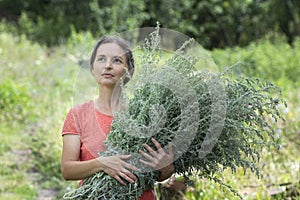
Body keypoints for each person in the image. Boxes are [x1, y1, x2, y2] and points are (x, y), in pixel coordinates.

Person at [61, 35, 175, 199]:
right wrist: (101, 164)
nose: (108, 66)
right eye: (101, 59)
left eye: (117, 61)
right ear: (92, 68)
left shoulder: (146, 114)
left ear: (129, 70)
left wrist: (167, 169)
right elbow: (67, 169)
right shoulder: (78, 115)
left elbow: (155, 175)